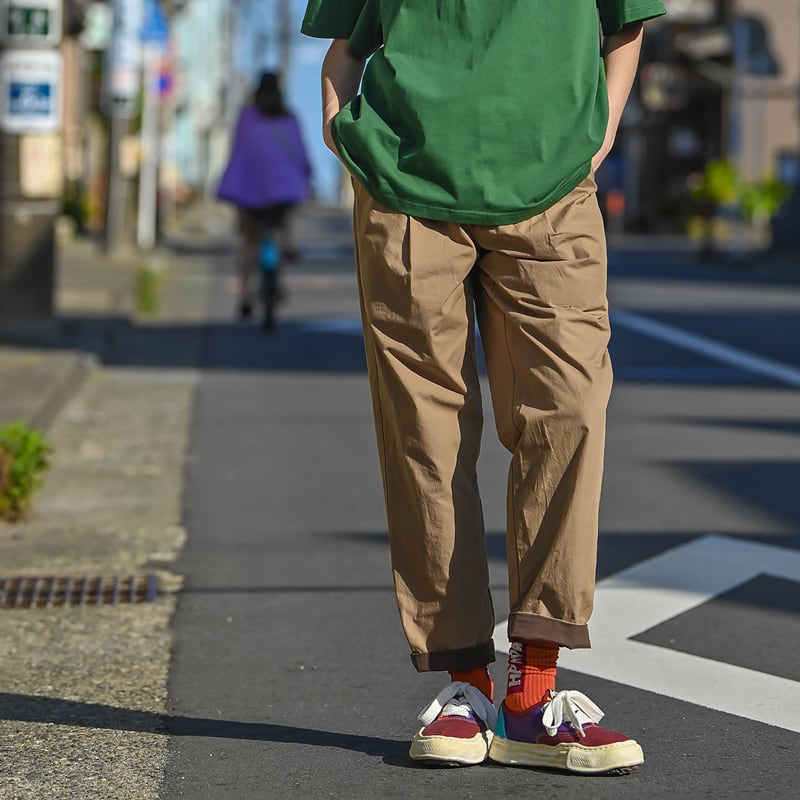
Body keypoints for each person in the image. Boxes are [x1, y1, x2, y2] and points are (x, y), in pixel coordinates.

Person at [302, 0, 666, 775]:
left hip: (553, 189)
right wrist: (342, 129)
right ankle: (466, 685)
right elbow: (345, 47)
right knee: (424, 437)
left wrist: (595, 141)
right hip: (405, 191)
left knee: (569, 413)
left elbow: (627, 22)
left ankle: (534, 692)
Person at [217, 72, 312, 327]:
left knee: (249, 239)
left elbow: (238, 150)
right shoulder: (289, 119)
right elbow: (300, 154)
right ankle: (287, 248)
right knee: (282, 224)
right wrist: (306, 175)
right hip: (281, 192)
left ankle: (245, 293)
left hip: (249, 190)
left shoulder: (246, 117)